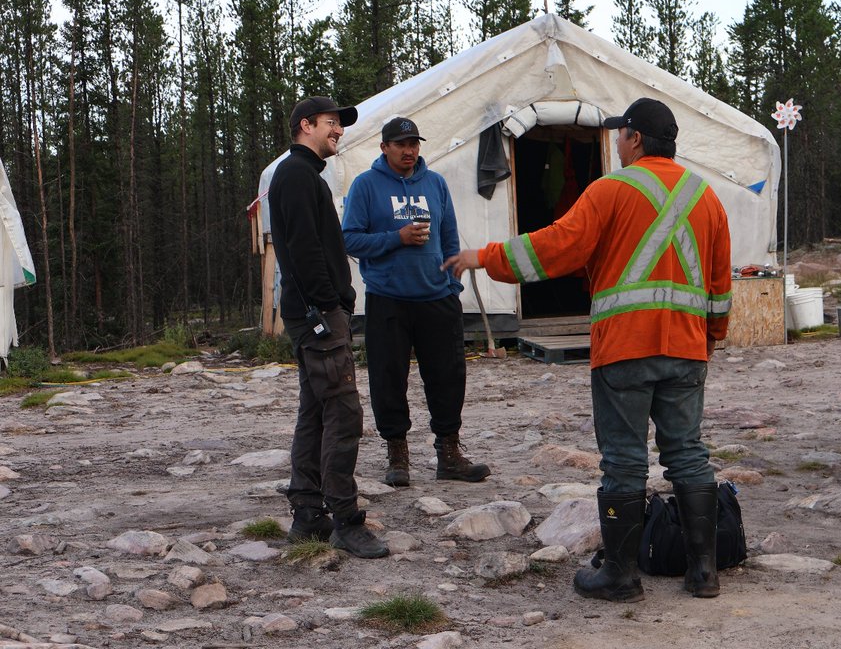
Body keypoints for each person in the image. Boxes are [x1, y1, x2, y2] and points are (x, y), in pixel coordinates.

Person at [444, 98, 732, 602]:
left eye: (620, 133)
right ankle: (703, 572)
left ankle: (621, 576)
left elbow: (555, 247)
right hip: (687, 349)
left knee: (623, 460)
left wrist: (483, 257)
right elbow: (720, 284)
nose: (616, 142)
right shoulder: (705, 196)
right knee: (687, 453)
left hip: (625, 348)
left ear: (636, 139)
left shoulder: (611, 191)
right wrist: (713, 336)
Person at [268, 96, 388, 558]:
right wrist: (329, 305)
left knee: (316, 411)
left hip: (313, 313)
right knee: (343, 413)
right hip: (318, 318)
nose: (338, 130)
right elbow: (302, 250)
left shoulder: (303, 175)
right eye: (331, 123)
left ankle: (307, 515)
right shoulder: (297, 176)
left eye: (340, 124)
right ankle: (345, 520)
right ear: (305, 126)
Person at [342, 116, 490, 487]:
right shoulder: (366, 186)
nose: (409, 151)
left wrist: (453, 284)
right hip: (388, 299)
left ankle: (449, 453)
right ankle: (398, 454)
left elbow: (450, 236)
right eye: (401, 144)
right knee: (388, 378)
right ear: (384, 148)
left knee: (447, 377)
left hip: (437, 297)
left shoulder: (435, 183)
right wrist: (397, 237)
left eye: (414, 144)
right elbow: (350, 239)